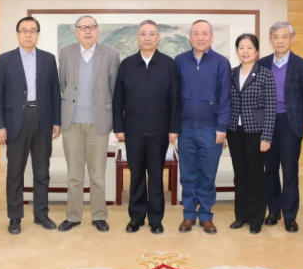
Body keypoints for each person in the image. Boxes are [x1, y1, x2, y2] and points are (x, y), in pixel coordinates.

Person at [0, 16, 62, 235]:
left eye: (33, 30)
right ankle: (15, 216)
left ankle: (41, 214)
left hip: (42, 119)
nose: (28, 34)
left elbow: (55, 91)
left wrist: (57, 120)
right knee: (15, 172)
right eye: (24, 30)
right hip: (15, 121)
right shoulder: (4, 59)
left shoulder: (48, 59)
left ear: (38, 34)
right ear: (18, 34)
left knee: (42, 171)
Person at [113, 20, 180, 235]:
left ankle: (156, 219)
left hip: (159, 130)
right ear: (138, 38)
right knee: (136, 176)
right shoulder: (127, 65)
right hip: (133, 130)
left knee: (156, 176)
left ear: (158, 38)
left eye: (152, 34)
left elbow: (175, 99)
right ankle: (136, 217)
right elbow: (118, 99)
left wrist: (174, 128)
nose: (148, 38)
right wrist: (119, 127)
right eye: (143, 34)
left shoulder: (168, 64)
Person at [57, 16, 121, 233]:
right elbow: (63, 84)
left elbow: (114, 89)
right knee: (74, 176)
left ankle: (99, 216)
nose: (87, 31)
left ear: (97, 31)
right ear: (76, 31)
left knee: (98, 176)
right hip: (72, 123)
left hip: (98, 124)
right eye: (83, 28)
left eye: (91, 27)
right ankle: (73, 216)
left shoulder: (111, 55)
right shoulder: (66, 53)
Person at [175, 20, 231, 235]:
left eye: (205, 33)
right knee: (187, 175)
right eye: (196, 33)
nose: (200, 37)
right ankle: (189, 215)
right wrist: (174, 126)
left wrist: (222, 127)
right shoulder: (180, 61)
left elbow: (225, 98)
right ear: (190, 37)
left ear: (211, 37)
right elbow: (173, 96)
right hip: (185, 128)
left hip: (211, 130)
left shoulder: (221, 62)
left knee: (207, 176)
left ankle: (206, 216)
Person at [258, 22, 303, 233]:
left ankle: (290, 215)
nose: (280, 41)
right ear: (270, 40)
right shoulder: (261, 64)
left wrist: (301, 121)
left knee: (290, 170)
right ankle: (273, 211)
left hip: (290, 123)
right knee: (270, 169)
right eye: (275, 37)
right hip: (267, 124)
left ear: (292, 39)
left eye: (284, 37)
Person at [227, 34, 276, 235]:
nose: (245, 51)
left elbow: (271, 107)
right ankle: (241, 216)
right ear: (237, 51)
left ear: (257, 52)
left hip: (256, 131)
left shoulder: (265, 74)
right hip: (234, 131)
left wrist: (267, 136)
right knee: (240, 175)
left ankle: (256, 219)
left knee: (255, 176)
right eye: (241, 47)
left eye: (249, 48)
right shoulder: (231, 73)